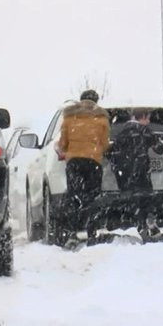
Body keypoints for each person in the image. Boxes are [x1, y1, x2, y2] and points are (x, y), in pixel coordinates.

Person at [57, 89, 110, 246]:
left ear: (80, 100)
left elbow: (63, 143)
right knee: (92, 197)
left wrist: (68, 150)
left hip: (74, 161)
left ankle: (72, 232)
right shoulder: (101, 118)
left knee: (73, 196)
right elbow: (105, 143)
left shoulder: (69, 117)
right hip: (93, 161)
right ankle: (91, 232)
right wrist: (97, 150)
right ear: (96, 101)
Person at [107, 108, 163, 238]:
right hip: (141, 169)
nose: (149, 121)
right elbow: (161, 149)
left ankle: (137, 225)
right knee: (145, 197)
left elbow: (109, 151)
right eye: (148, 118)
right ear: (142, 117)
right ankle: (148, 219)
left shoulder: (122, 132)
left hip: (124, 173)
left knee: (132, 200)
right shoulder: (145, 131)